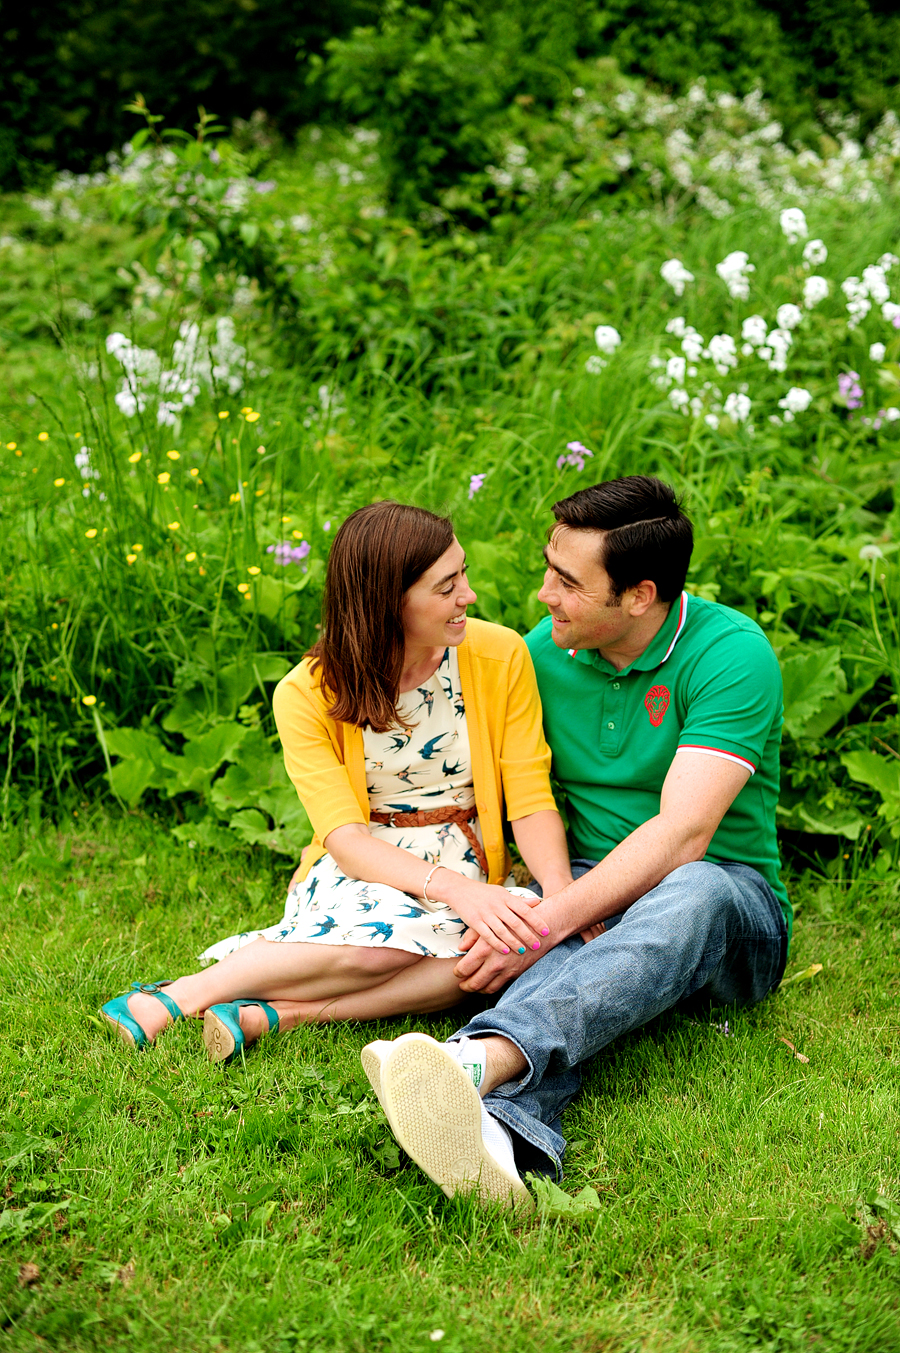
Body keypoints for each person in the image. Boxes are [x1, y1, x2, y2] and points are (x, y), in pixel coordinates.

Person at [361, 475, 789, 1212]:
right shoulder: (540, 655)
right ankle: (504, 1131)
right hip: (590, 887)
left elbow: (685, 834)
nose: (542, 594)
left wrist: (547, 919)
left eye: (566, 581)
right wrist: (546, 902)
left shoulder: (731, 654)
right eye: (547, 567)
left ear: (639, 596)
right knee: (557, 934)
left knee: (687, 891)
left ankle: (478, 1055)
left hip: (729, 904)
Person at [101, 501, 573, 1061]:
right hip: (367, 860)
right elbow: (345, 841)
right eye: (447, 586)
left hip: (468, 857)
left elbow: (528, 792)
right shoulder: (305, 693)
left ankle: (279, 1015)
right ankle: (179, 996)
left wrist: (562, 902)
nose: (467, 595)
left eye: (463, 573)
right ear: (387, 603)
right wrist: (459, 893)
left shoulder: (499, 654)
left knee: (486, 960)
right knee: (381, 952)